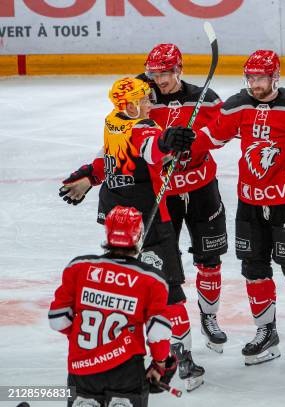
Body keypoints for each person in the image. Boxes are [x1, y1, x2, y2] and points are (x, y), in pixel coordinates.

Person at [60, 44, 229, 357]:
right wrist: (92, 176)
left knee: (210, 260)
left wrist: (198, 140)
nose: (159, 79)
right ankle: (173, 329)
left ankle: (209, 316)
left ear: (178, 70)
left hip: (201, 187)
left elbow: (225, 131)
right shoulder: (139, 97)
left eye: (165, 73)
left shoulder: (205, 98)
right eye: (154, 73)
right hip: (161, 197)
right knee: (161, 266)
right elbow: (118, 147)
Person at [193, 50, 285, 369]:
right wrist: (180, 141)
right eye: (250, 78)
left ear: (275, 77)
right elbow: (213, 137)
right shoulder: (238, 104)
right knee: (253, 269)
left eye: (260, 78)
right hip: (249, 203)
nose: (254, 84)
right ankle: (266, 331)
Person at [58, 76, 205, 391]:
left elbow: (109, 157)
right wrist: (169, 142)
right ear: (128, 104)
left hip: (115, 217)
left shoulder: (114, 122)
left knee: (127, 284)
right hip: (147, 222)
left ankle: (118, 346)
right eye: (144, 98)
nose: (150, 102)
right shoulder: (143, 128)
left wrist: (89, 176)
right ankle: (176, 358)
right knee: (168, 291)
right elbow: (153, 149)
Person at [48, 205, 176, 407]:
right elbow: (158, 332)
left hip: (81, 370)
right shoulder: (151, 279)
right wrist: (160, 364)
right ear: (139, 235)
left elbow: (57, 319)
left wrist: (86, 339)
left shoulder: (78, 267)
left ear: (107, 234)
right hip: (126, 373)